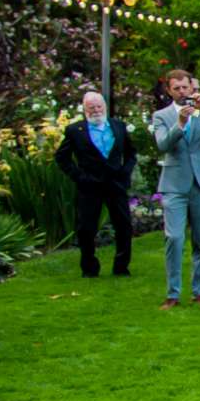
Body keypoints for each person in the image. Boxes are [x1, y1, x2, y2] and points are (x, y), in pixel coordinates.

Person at [152, 69, 200, 307]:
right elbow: (163, 144)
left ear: (192, 87)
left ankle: (199, 292)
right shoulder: (162, 116)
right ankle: (173, 294)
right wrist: (180, 123)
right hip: (175, 184)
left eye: (186, 87)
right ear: (169, 91)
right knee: (174, 238)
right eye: (177, 88)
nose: (182, 92)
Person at [55, 89, 136, 278]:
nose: (95, 110)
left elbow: (131, 153)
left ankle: (121, 266)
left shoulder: (118, 126)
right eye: (91, 108)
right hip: (90, 185)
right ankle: (89, 267)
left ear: (105, 107)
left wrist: (125, 172)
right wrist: (79, 176)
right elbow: (62, 157)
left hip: (116, 183)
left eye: (98, 106)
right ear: (85, 109)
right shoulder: (75, 130)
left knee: (123, 225)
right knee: (86, 228)